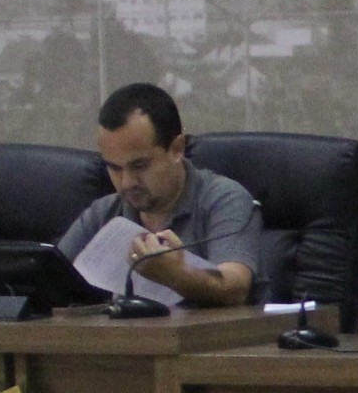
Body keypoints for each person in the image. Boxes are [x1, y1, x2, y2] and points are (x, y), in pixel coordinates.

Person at [55, 81, 262, 308]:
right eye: (114, 168)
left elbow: (235, 289)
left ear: (177, 149)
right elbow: (50, 279)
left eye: (140, 165)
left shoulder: (223, 199)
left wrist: (175, 274)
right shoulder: (106, 212)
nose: (126, 182)